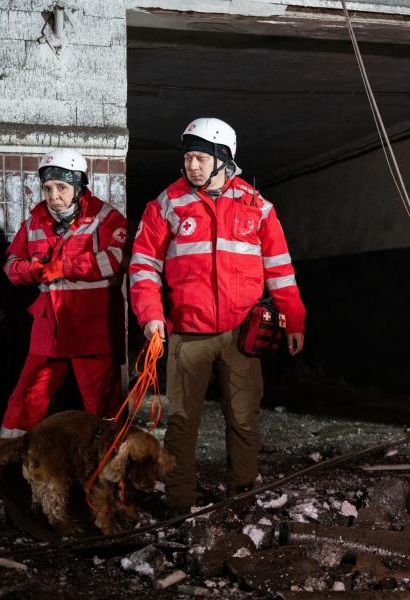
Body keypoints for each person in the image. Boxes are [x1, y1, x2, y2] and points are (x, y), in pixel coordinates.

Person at [129, 118, 306, 509]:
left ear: (224, 158)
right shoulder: (167, 204)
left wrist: (294, 320)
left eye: (201, 158)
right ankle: (178, 498)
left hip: (241, 335)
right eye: (188, 158)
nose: (192, 166)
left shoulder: (256, 206)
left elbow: (279, 268)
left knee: (244, 418)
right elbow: (142, 266)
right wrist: (151, 316)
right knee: (181, 422)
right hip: (186, 335)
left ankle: (243, 491)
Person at [0, 149, 129, 439]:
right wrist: (32, 271)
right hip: (50, 328)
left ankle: (110, 476)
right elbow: (10, 265)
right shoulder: (35, 221)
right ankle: (5, 471)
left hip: (93, 328)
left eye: (61, 187)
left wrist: (64, 266)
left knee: (104, 407)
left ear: (79, 186)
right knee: (24, 402)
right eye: (47, 188)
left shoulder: (105, 216)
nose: (53, 195)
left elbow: (118, 258)